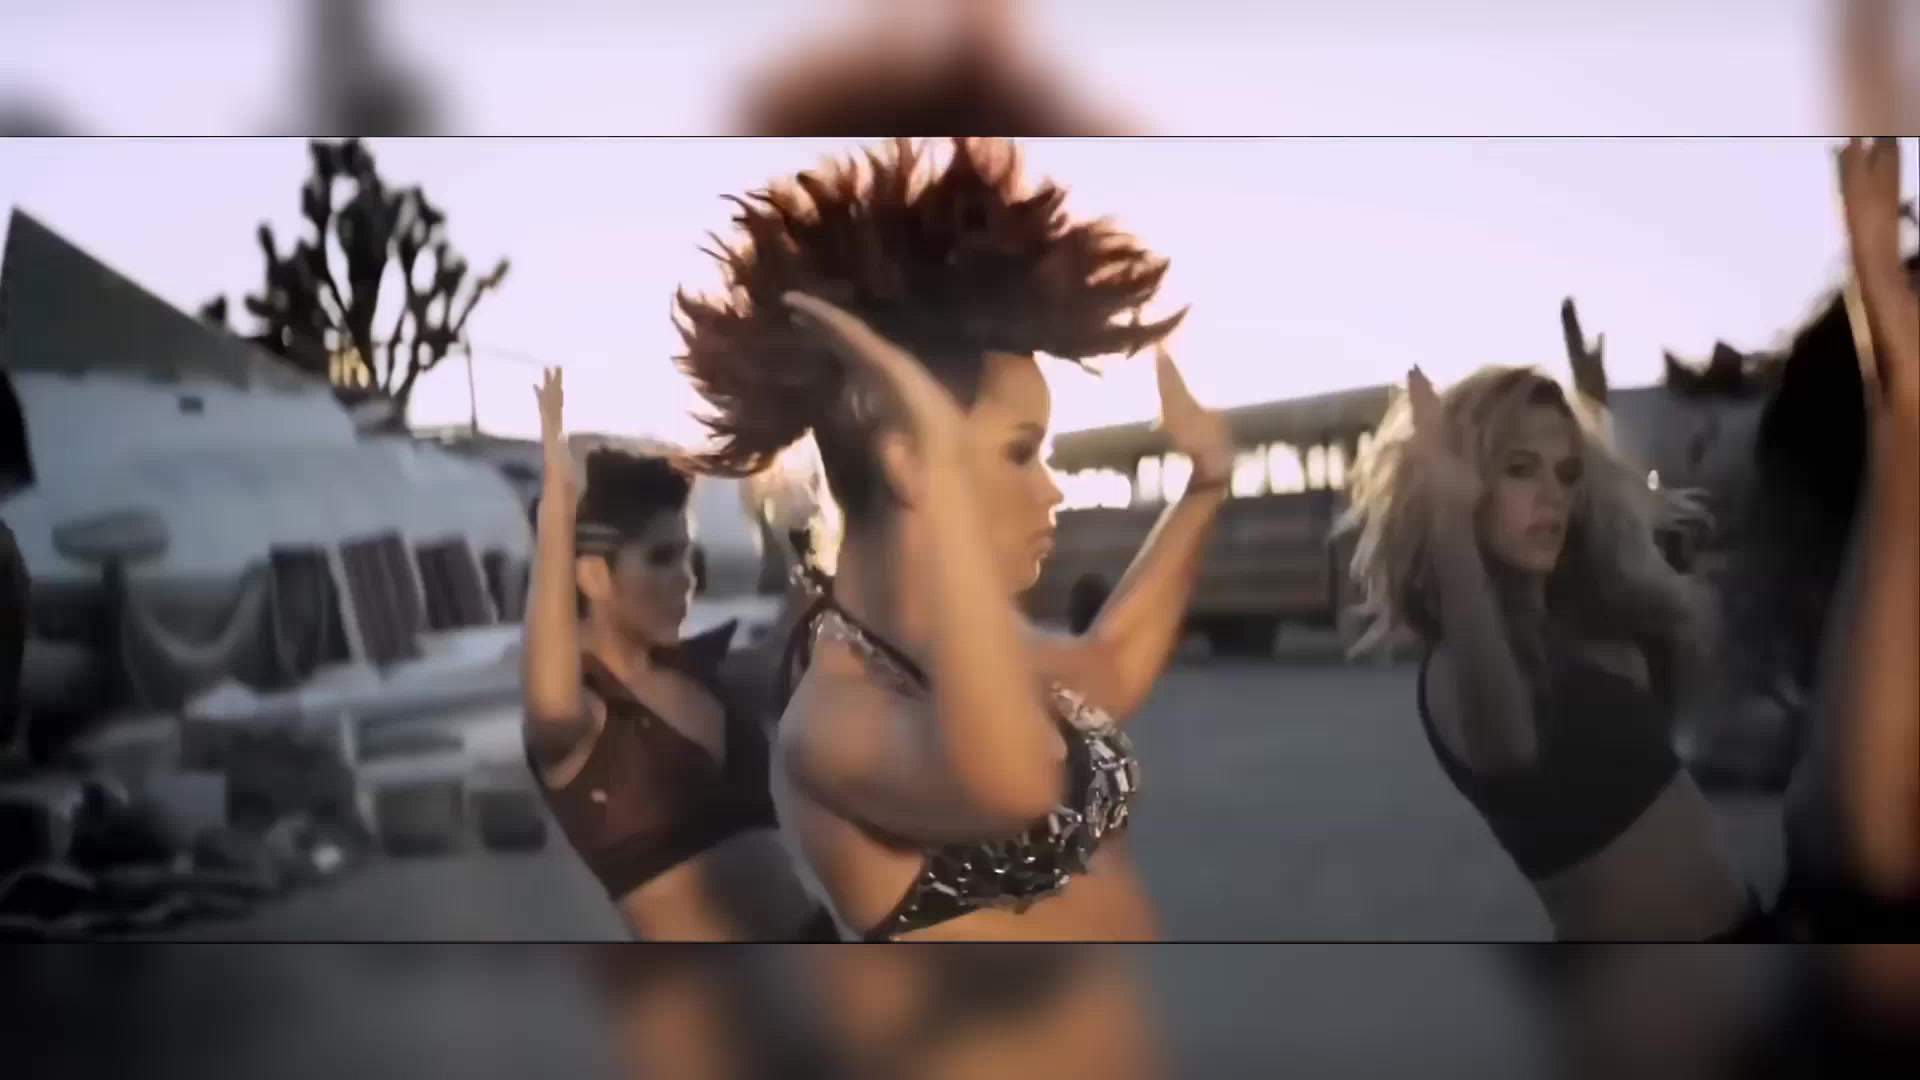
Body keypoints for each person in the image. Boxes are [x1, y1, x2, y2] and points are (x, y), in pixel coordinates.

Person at [673, 136, 1226, 1071]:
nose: (1051, 487)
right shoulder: (833, 717)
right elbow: (1009, 780)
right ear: (906, 459)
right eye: (1021, 451)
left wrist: (1206, 486)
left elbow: (1109, 666)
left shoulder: (965, 651)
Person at [1341, 363, 1764, 941]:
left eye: (1567, 474)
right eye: (1520, 469)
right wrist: (1450, 525)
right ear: (1465, 481)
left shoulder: (1582, 619)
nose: (1552, 497)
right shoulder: (1456, 661)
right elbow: (1506, 747)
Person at [520, 367, 829, 944]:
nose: (687, 579)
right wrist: (556, 514)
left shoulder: (706, 672)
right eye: (663, 558)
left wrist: (802, 529)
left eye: (690, 557)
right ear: (592, 574)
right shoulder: (584, 720)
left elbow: (794, 644)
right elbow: (550, 701)